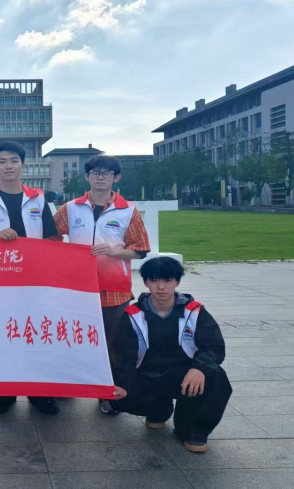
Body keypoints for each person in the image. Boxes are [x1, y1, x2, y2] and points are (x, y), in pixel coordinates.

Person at [53, 154, 150, 414]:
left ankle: (109, 393)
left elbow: (141, 249)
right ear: (87, 176)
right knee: (71, 337)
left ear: (116, 178)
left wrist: (114, 252)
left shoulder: (128, 210)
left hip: (114, 288)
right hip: (77, 288)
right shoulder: (71, 208)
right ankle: (69, 385)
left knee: (113, 343)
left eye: (107, 173)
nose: (100, 177)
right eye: (95, 172)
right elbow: (51, 236)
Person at [0, 141, 61, 416]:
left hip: (34, 280)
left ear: (23, 164)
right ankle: (3, 394)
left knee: (36, 333)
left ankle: (40, 393)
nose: (8, 166)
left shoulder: (38, 199)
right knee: (1, 335)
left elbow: (51, 238)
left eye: (13, 160)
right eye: (2, 161)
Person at [112, 257, 232, 453]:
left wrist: (199, 367)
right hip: (147, 376)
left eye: (167, 280)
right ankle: (158, 410)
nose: (161, 287)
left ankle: (193, 430)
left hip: (184, 376)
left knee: (215, 375)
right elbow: (124, 356)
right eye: (154, 280)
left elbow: (214, 347)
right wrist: (122, 385)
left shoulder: (194, 312)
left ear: (177, 282)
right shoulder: (132, 315)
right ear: (146, 282)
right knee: (116, 392)